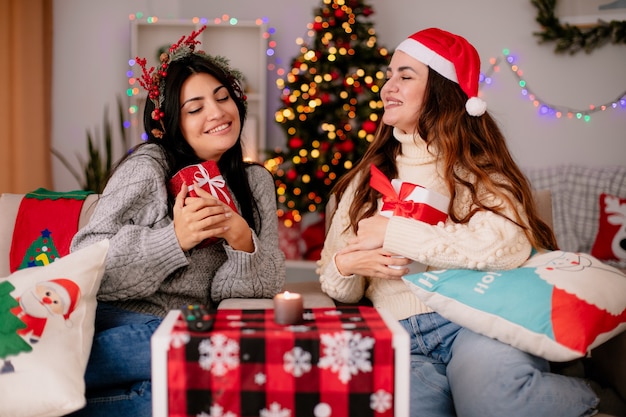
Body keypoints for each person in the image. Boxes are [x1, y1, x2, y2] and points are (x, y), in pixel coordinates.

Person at [318, 27, 599, 417]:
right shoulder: (369, 179)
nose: (387, 87)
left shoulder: (476, 170)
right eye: (389, 75)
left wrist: (396, 231)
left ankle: (588, 398)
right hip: (400, 338)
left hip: (475, 324)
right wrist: (345, 266)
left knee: (493, 402)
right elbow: (336, 282)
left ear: (439, 89)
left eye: (405, 75)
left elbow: (507, 246)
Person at [68, 26, 286, 417]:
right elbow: (87, 259)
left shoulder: (255, 183)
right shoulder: (148, 167)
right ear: (170, 123)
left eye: (223, 98)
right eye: (195, 107)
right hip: (122, 324)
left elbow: (267, 284)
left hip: (189, 330)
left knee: (185, 400)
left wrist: (241, 240)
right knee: (213, 357)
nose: (217, 112)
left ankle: (53, 393)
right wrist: (174, 239)